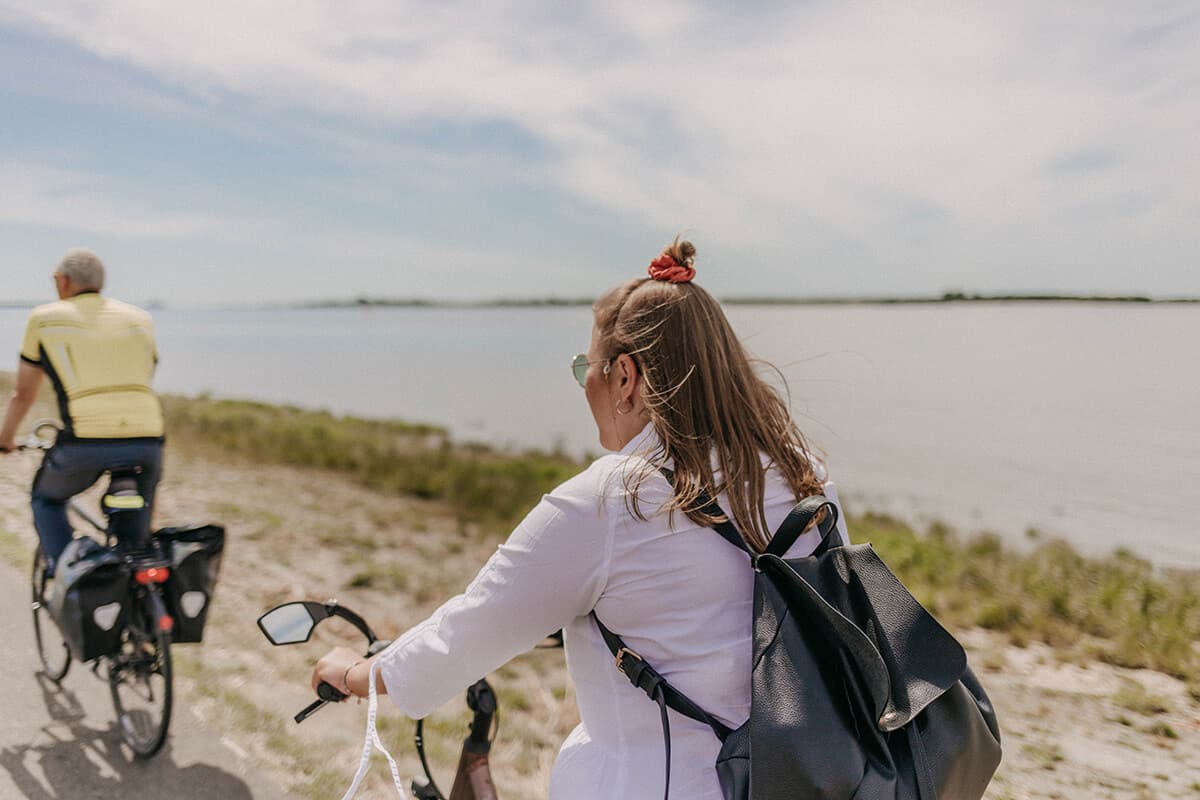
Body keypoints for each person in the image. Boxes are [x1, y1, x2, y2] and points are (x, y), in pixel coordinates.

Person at [311, 238, 849, 799]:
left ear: (625, 378)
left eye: (585, 367)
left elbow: (469, 629)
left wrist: (360, 674)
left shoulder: (612, 499)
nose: (585, 383)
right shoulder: (802, 473)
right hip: (808, 779)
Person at [0, 249, 165, 574]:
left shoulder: (45, 317)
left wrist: (5, 438)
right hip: (149, 439)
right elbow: (147, 371)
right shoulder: (140, 319)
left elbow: (24, 393)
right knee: (137, 542)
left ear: (63, 281)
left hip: (85, 441)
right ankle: (147, 598)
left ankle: (67, 573)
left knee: (46, 499)